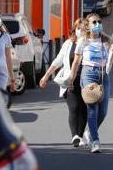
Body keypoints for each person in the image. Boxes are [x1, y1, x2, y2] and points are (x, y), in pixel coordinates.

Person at [70, 13, 113, 153]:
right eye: (94, 22)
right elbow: (76, 62)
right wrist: (71, 80)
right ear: (88, 26)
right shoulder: (83, 41)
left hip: (104, 75)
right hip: (88, 74)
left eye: (99, 21)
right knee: (92, 108)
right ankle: (95, 141)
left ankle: (90, 132)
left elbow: (112, 60)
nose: (97, 24)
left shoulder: (107, 40)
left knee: (103, 111)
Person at [39, 19, 87, 147]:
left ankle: (80, 135)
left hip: (85, 80)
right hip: (69, 80)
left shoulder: (88, 44)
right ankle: (75, 136)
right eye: (78, 29)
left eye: (83, 29)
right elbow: (57, 61)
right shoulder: (68, 44)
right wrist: (45, 76)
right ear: (74, 29)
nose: (80, 31)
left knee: (83, 109)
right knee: (74, 107)